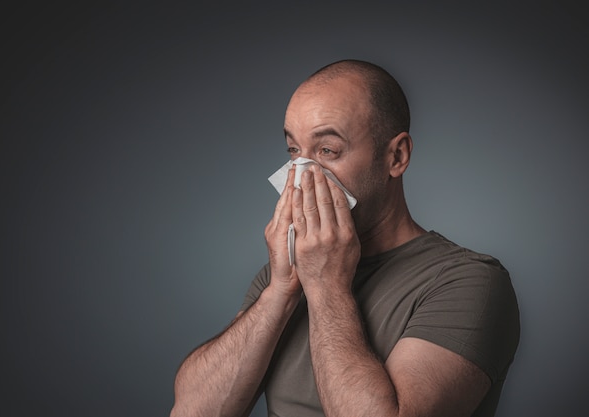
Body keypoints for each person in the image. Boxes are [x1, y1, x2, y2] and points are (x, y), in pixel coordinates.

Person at [169, 59, 520, 417]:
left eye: (327, 151)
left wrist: (326, 287)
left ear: (396, 156)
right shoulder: (285, 274)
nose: (302, 174)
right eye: (294, 151)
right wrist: (280, 290)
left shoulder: (468, 282)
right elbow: (192, 412)